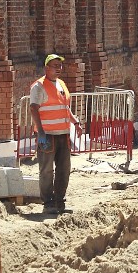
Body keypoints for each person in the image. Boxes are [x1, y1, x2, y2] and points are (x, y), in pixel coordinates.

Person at [30, 54, 82, 215]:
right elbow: (33, 108)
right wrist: (41, 132)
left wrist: (75, 122)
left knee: (64, 169)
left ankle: (60, 201)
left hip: (63, 134)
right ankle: (48, 202)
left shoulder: (61, 84)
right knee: (46, 170)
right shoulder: (39, 86)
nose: (58, 68)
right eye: (55, 66)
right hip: (48, 135)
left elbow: (65, 107)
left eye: (60, 66)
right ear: (46, 68)